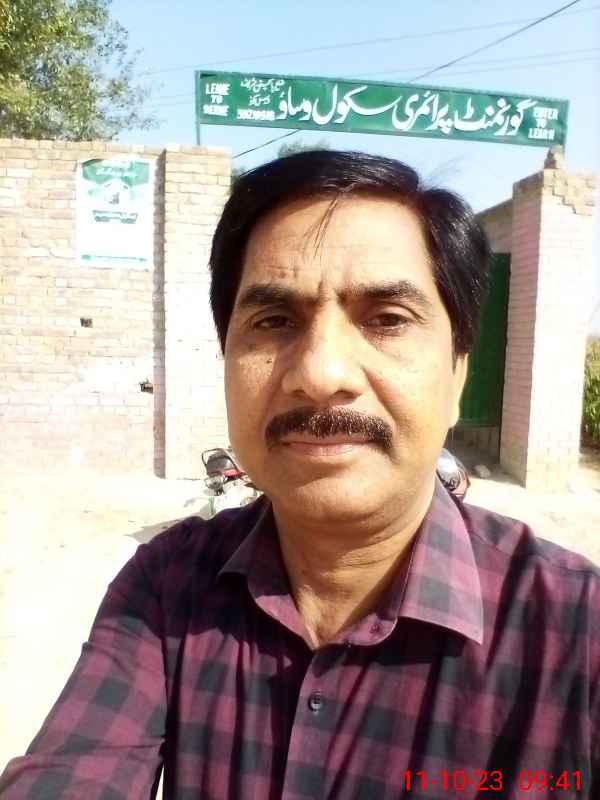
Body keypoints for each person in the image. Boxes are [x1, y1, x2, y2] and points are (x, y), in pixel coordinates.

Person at [1, 150, 598, 799]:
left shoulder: (577, 630)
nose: (320, 374)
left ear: (457, 375)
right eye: (274, 321)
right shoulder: (167, 585)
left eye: (387, 320)